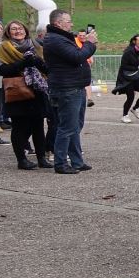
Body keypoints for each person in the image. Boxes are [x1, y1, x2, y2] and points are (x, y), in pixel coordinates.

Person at [43, 9, 97, 174]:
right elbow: (76, 57)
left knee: (75, 126)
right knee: (67, 127)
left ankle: (76, 161)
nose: (71, 24)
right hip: (66, 88)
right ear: (58, 23)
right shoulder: (55, 40)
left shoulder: (62, 38)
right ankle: (60, 162)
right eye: (68, 21)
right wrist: (90, 44)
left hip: (76, 86)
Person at [0, 20, 53, 170]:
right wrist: (23, 63)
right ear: (8, 32)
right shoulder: (3, 48)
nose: (17, 31)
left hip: (37, 90)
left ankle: (41, 158)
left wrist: (36, 62)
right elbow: (2, 71)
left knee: (38, 126)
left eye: (20, 28)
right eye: (13, 29)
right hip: (17, 92)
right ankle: (21, 159)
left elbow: (47, 69)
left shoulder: (35, 46)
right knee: (20, 127)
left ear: (25, 30)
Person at [113, 34, 139, 123]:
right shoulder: (128, 51)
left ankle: (135, 108)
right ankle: (125, 115)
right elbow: (124, 66)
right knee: (130, 96)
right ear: (134, 41)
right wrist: (137, 67)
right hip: (128, 77)